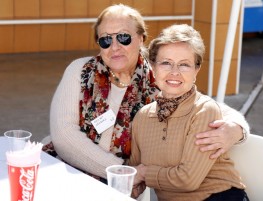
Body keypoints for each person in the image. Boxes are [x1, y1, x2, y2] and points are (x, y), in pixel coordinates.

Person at [43, 3, 249, 188]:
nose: (114, 47)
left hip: (121, 185)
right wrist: (121, 170)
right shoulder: (80, 70)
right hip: (68, 168)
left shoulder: (160, 75)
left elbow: (209, 106)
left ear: (141, 38)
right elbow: (63, 134)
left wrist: (236, 129)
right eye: (105, 40)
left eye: (123, 37)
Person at [129, 24, 249, 201]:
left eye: (184, 65)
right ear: (153, 67)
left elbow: (187, 180)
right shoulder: (143, 117)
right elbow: (134, 172)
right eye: (166, 63)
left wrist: (144, 173)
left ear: (196, 70)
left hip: (219, 197)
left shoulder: (204, 110)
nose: (175, 72)